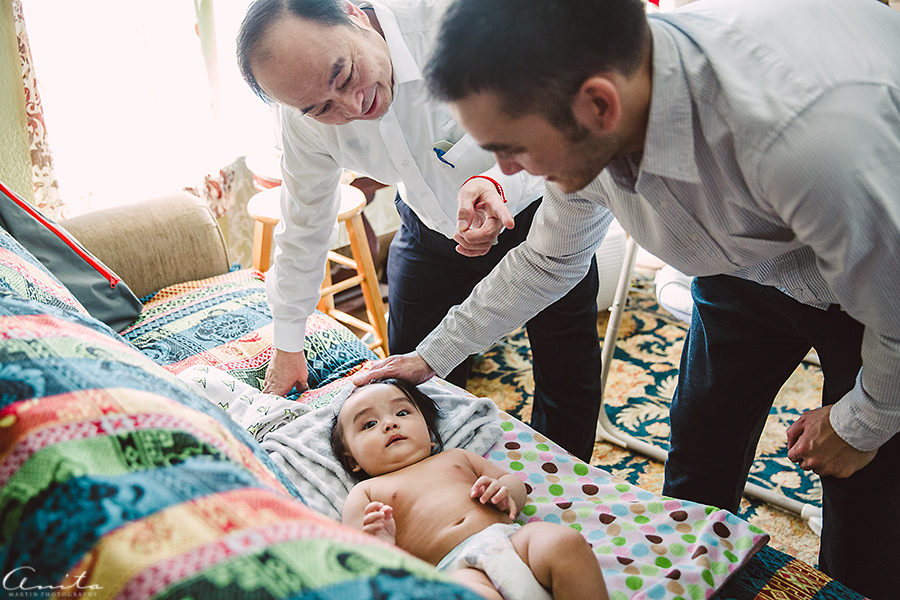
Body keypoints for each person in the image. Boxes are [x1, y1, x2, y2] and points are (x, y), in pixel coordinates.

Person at [351, 0, 900, 597]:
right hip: (740, 268)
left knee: (867, 499)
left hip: (874, 297)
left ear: (599, 106)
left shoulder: (809, 137)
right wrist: (431, 355)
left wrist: (860, 422)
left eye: (512, 148)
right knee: (701, 444)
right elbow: (550, 260)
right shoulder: (588, 126)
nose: (505, 170)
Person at [236, 0, 605, 462]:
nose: (353, 106)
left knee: (567, 372)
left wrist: (501, 187)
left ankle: (567, 484)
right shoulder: (301, 118)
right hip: (428, 228)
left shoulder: (464, 23)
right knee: (409, 384)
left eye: (345, 76)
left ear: (352, 13)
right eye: (323, 107)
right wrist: (288, 344)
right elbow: (304, 226)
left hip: (542, 214)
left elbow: (561, 126)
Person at [333, 378, 608, 600]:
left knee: (564, 542)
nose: (390, 424)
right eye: (369, 424)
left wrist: (504, 491)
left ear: (429, 434)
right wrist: (381, 545)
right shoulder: (366, 492)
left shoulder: (456, 458)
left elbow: (514, 484)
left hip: (513, 540)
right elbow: (356, 559)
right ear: (352, 460)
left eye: (402, 412)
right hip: (452, 569)